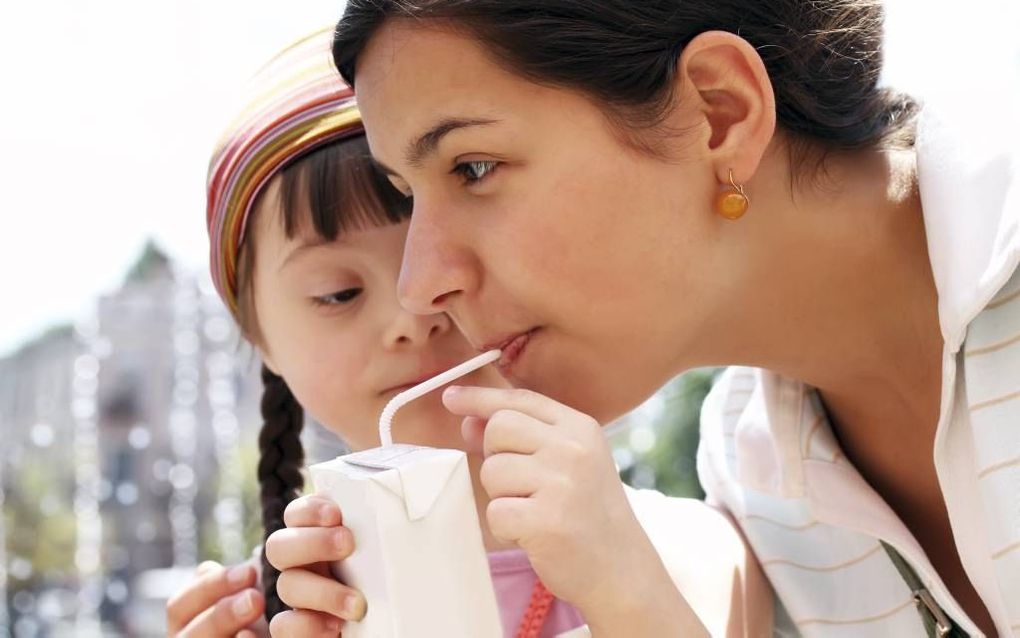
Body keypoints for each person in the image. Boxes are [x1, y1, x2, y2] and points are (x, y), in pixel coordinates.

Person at [331, 1, 1020, 635]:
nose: (419, 287)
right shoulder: (751, 477)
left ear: (720, 112)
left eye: (474, 167)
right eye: (408, 196)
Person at [166, 27, 769, 638]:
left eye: (448, 258)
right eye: (339, 294)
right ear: (261, 341)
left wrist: (627, 594)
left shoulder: (691, 555)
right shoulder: (275, 619)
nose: (413, 309)